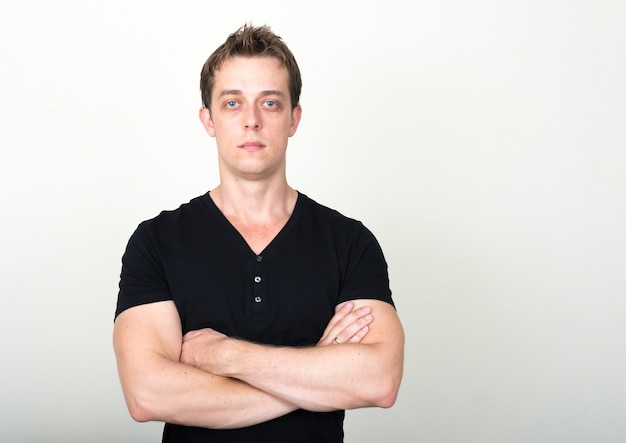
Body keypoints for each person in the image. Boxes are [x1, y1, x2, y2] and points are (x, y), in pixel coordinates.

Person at [113, 23, 405, 443]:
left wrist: (226, 355)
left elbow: (378, 380)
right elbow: (147, 394)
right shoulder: (156, 241)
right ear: (208, 120)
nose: (251, 121)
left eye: (270, 102)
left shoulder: (350, 242)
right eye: (233, 103)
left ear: (293, 119)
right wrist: (318, 372)